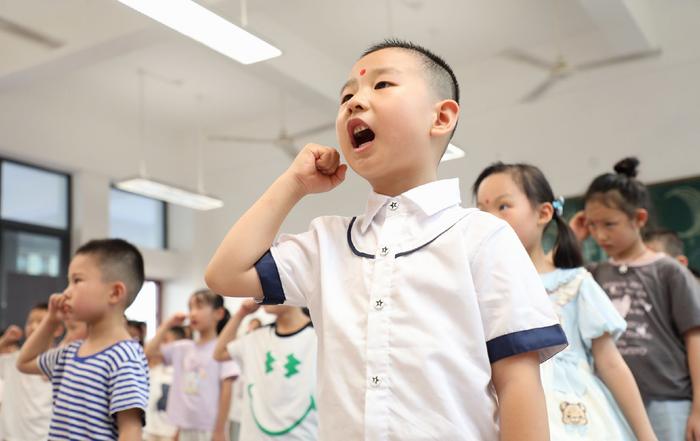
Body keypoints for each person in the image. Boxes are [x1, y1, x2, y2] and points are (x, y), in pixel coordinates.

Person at [205, 39, 567, 440]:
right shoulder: (327, 242)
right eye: (347, 95)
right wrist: (293, 183)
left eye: (381, 86)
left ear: (441, 117)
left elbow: (518, 385)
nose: (354, 102)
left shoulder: (482, 236)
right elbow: (225, 273)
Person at [474, 162, 656, 440]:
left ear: (544, 212)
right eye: (481, 210)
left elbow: (611, 364)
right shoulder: (477, 287)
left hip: (573, 411)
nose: (489, 219)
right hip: (502, 406)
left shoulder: (574, 282)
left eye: (503, 206)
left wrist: (647, 435)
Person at [570, 157, 700, 441]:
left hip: (668, 401)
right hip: (611, 398)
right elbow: (554, 277)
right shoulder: (593, 274)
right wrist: (573, 237)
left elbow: (695, 338)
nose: (600, 234)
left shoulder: (668, 270)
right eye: (591, 225)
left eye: (610, 224)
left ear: (639, 219)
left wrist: (698, 410)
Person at [16, 238, 150, 441]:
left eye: (77, 281)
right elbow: (24, 363)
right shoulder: (69, 353)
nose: (66, 292)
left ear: (114, 292)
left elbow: (130, 432)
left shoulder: (124, 357)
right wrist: (51, 320)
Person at [214, 300, 318, 440]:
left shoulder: (319, 337)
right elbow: (219, 353)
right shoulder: (256, 338)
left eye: (270, 284)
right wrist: (241, 313)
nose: (264, 294)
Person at [145, 290, 239, 441]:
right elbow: (148, 353)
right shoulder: (182, 348)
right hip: (183, 428)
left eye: (199, 307)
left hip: (209, 429)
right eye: (190, 308)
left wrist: (220, 429)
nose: (193, 313)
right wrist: (168, 324)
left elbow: (226, 391)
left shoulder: (222, 350)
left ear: (218, 313)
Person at [0, 303, 64, 441]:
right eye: (30, 322)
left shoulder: (61, 361)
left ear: (58, 329)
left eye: (40, 321)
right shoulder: (12, 360)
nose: (33, 326)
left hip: (44, 436)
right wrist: (4, 341)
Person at [144, 326, 185, 441]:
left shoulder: (181, 371)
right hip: (149, 431)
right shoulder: (153, 369)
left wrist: (178, 431)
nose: (160, 345)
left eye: (165, 340)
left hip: (169, 433)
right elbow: (146, 354)